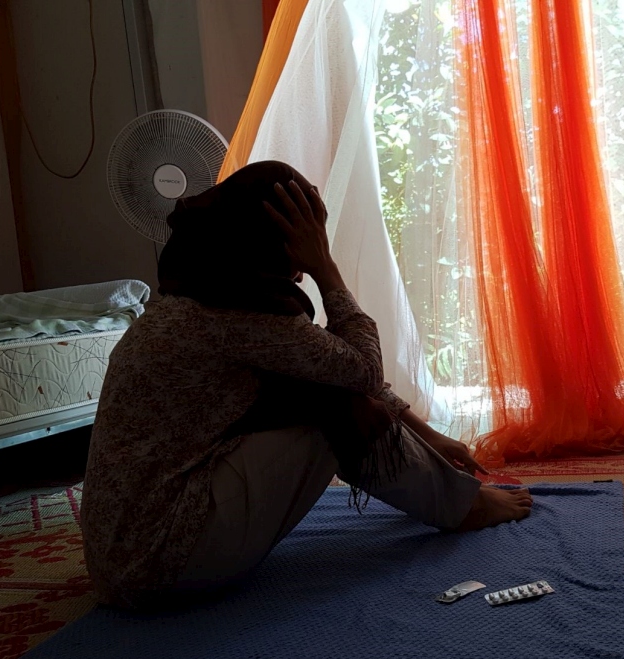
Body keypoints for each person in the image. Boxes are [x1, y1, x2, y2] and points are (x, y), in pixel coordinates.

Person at [81, 161, 532, 609]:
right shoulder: (237, 316)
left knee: (325, 394)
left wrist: (431, 437)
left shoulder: (204, 293)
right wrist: (326, 269)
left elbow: (327, 371)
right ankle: (462, 508)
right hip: (160, 563)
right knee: (336, 413)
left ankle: (451, 495)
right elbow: (360, 375)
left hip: (127, 561)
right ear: (271, 236)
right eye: (304, 233)